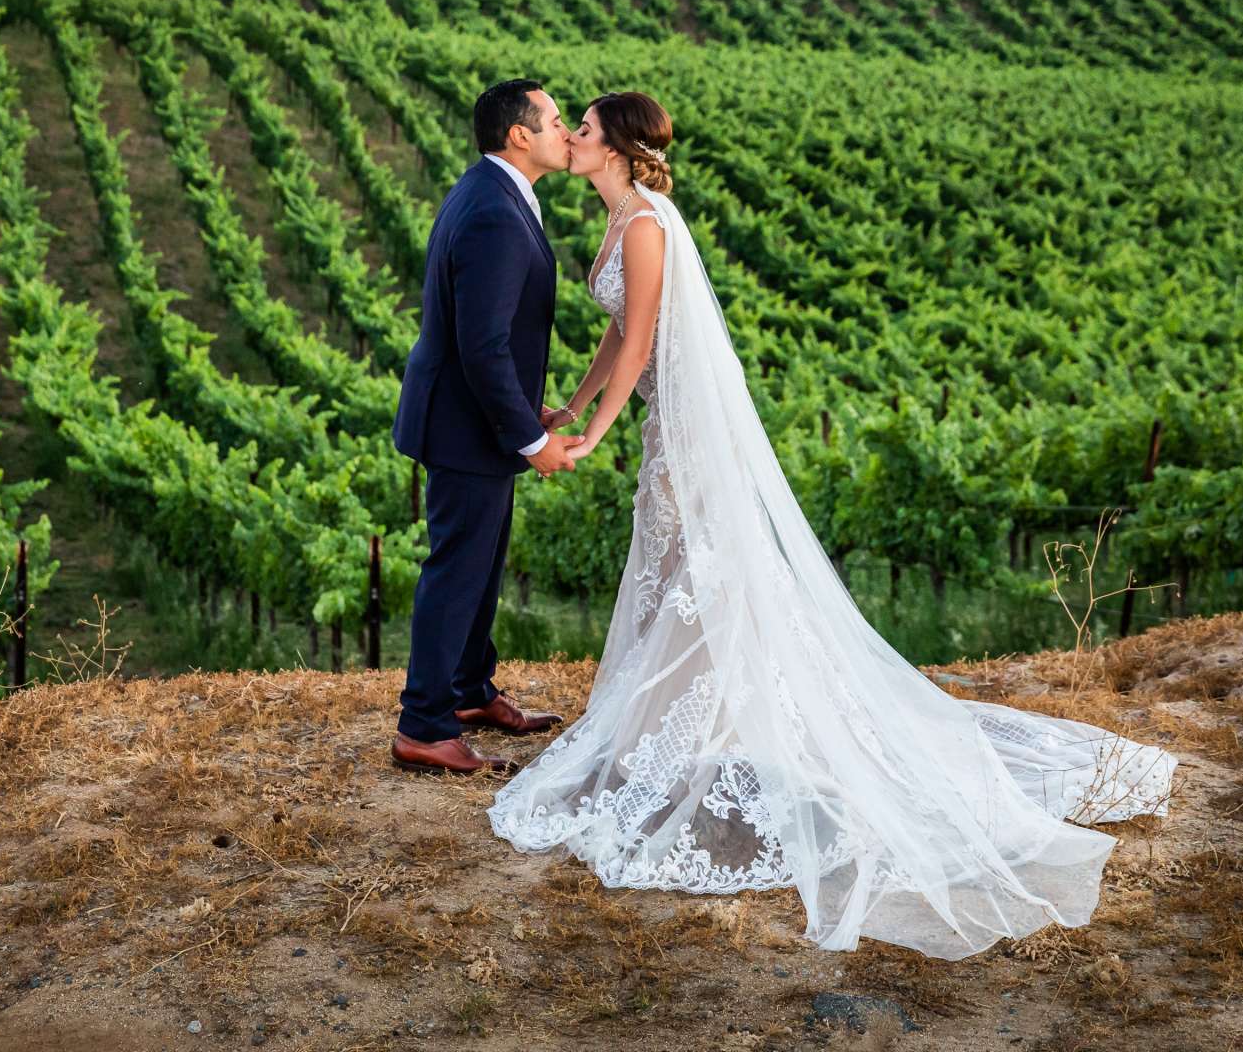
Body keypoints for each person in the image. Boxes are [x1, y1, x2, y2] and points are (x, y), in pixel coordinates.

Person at [485, 91, 1179, 959]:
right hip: (669, 427)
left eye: (584, 129)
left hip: (686, 436)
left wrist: (597, 429)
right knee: (681, 576)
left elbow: (639, 347)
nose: (573, 138)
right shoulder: (625, 217)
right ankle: (674, 734)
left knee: (700, 577)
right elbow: (621, 337)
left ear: (618, 148)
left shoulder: (648, 226)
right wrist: (574, 404)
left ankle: (679, 738)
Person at [389, 79, 583, 775]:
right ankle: (423, 723)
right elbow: (483, 343)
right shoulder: (495, 213)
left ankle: (468, 692)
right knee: (456, 571)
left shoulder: (490, 191)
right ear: (519, 135)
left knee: (480, 566)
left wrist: (524, 408)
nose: (566, 132)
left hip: (475, 421)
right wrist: (533, 442)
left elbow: (492, 333)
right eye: (556, 121)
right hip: (465, 427)